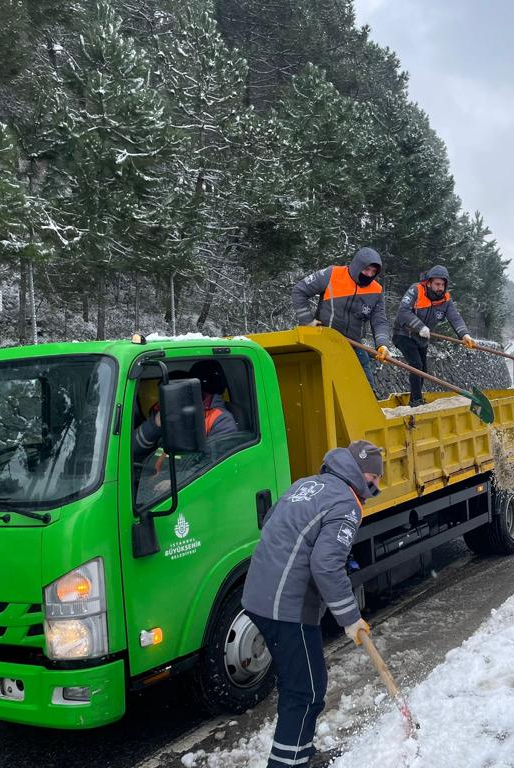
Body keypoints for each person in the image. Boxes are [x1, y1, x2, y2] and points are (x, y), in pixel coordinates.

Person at [242, 440, 383, 768]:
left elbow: (273, 524)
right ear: (363, 475)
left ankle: (298, 754)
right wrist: (350, 618)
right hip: (285, 606)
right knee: (305, 688)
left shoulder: (306, 484)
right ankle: (287, 764)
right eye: (374, 479)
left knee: (302, 682)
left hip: (257, 595)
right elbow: (324, 563)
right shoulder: (347, 503)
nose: (376, 486)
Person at [292, 247, 393, 390]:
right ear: (357, 266)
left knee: (366, 386)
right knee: (323, 384)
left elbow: (379, 320)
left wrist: (382, 344)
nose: (369, 274)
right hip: (324, 338)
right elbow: (299, 290)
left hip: (353, 343)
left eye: (373, 272)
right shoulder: (332, 274)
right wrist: (307, 321)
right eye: (366, 269)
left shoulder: (376, 290)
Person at [394, 265, 477, 407]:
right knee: (416, 365)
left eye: (443, 285)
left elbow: (455, 317)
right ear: (429, 282)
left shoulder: (445, 299)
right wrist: (419, 326)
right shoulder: (416, 290)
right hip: (404, 334)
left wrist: (465, 335)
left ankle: (415, 398)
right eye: (437, 284)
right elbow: (403, 311)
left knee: (423, 370)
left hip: (422, 339)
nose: (440, 288)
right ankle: (416, 401)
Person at [133, 361, 238, 464]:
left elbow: (215, 465)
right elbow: (132, 450)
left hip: (183, 479)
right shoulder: (161, 410)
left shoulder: (220, 420)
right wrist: (155, 424)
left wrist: (170, 480)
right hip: (151, 475)